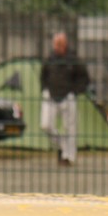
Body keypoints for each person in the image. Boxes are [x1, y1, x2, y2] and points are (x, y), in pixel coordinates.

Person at [41, 32, 90, 166]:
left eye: (60, 44)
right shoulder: (50, 58)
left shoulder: (73, 59)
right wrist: (45, 89)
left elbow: (84, 78)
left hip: (68, 97)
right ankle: (62, 145)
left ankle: (69, 156)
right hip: (51, 95)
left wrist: (75, 91)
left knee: (70, 128)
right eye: (55, 44)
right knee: (46, 125)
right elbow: (43, 75)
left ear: (65, 44)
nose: (57, 47)